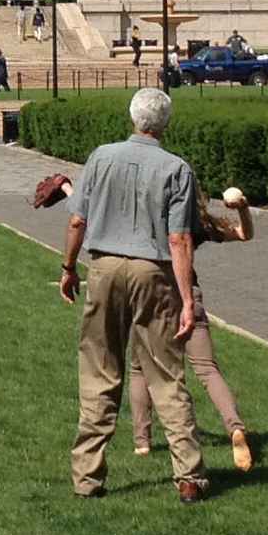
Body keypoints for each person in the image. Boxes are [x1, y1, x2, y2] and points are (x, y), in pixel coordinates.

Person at [57, 86, 208, 504]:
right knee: (165, 373)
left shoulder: (101, 156)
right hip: (153, 271)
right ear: (165, 123)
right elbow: (179, 239)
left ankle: (87, 477)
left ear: (133, 117)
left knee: (99, 371)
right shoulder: (177, 168)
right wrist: (187, 300)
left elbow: (76, 221)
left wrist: (69, 268)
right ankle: (189, 475)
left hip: (104, 267)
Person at [129, 187, 256, 473]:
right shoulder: (195, 220)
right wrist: (243, 207)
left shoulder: (143, 217)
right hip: (190, 295)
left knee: (140, 368)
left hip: (149, 297)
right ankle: (234, 427)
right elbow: (244, 234)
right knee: (207, 370)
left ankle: (142, 442)